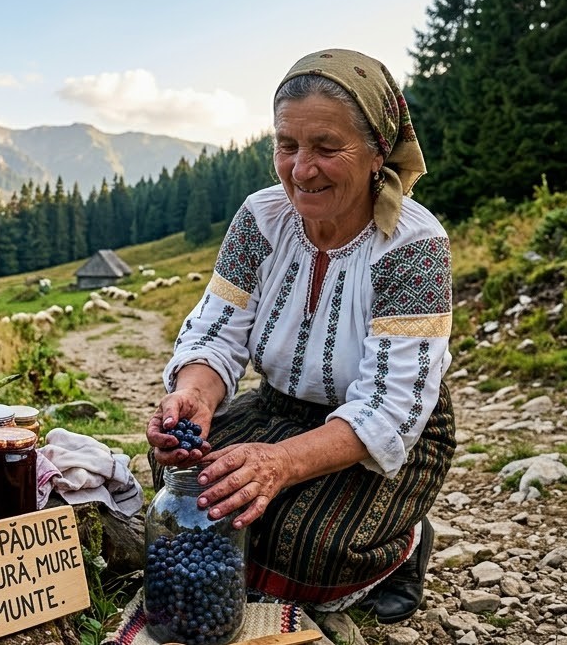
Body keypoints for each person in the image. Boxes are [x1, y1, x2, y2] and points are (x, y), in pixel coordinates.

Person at [146, 48, 454, 624]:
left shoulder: (413, 245)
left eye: (326, 148)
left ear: (377, 153)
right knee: (190, 477)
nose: (301, 169)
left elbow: (390, 406)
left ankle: (406, 544)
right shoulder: (261, 218)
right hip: (278, 408)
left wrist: (280, 464)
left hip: (375, 432)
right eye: (287, 145)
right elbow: (217, 333)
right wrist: (193, 395)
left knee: (310, 543)